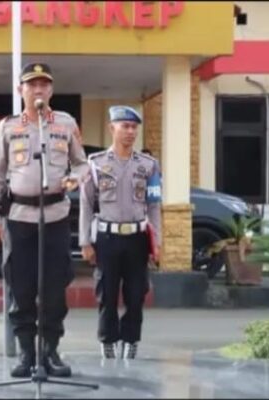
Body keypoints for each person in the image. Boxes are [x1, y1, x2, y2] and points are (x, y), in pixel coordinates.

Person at [0, 62, 89, 378]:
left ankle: (51, 352)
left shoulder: (65, 124)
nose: (38, 90)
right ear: (21, 91)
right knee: (22, 287)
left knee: (55, 287)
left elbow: (83, 165)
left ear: (51, 90)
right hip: (19, 218)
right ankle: (28, 354)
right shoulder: (8, 127)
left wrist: (75, 178)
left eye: (44, 84)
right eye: (32, 85)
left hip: (55, 216)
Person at [78, 106, 162, 360]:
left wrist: (156, 241)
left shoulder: (148, 165)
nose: (130, 132)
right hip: (107, 237)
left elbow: (154, 205)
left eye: (134, 127)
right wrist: (85, 241)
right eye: (124, 126)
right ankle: (108, 340)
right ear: (111, 128)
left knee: (137, 293)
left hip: (137, 238)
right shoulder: (96, 164)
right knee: (108, 292)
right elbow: (85, 204)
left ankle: (131, 339)